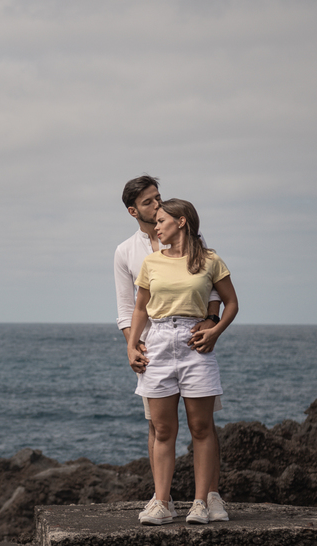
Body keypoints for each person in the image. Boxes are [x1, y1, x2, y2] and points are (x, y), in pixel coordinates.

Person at [113, 176, 224, 521]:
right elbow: (129, 306)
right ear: (133, 211)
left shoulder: (194, 242)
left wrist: (211, 323)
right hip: (154, 347)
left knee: (202, 424)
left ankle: (209, 496)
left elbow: (214, 291)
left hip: (191, 342)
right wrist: (132, 347)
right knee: (158, 426)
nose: (157, 207)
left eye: (158, 199)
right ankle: (163, 499)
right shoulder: (127, 252)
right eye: (149, 203)